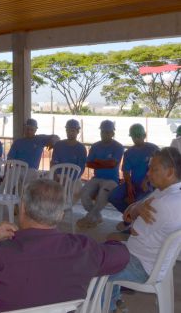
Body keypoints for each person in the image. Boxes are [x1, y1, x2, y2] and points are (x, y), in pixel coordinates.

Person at [0, 179, 129, 313]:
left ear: (22, 209)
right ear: (60, 215)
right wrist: (112, 241)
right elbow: (122, 256)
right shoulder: (84, 249)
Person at [106, 147, 181, 313]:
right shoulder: (166, 193)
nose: (148, 173)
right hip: (152, 260)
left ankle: (107, 305)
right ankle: (114, 299)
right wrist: (137, 208)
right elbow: (130, 215)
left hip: (142, 265)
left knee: (94, 265)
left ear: (169, 172)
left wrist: (135, 211)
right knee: (109, 244)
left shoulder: (164, 203)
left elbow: (131, 228)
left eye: (153, 169)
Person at [109, 124, 158, 232]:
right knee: (113, 196)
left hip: (149, 185)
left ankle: (133, 223)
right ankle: (130, 217)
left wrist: (146, 180)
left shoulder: (153, 149)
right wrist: (129, 187)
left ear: (144, 135)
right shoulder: (129, 153)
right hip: (133, 182)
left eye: (139, 136)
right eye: (134, 136)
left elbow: (156, 168)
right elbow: (126, 171)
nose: (136, 139)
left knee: (138, 202)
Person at [77, 120, 124, 229]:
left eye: (108, 132)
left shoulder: (118, 147)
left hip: (112, 180)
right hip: (96, 178)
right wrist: (105, 163)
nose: (105, 134)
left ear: (113, 133)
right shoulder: (95, 146)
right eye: (103, 132)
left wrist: (97, 161)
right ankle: (96, 216)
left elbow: (113, 164)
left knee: (103, 194)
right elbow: (89, 163)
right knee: (84, 193)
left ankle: (89, 218)